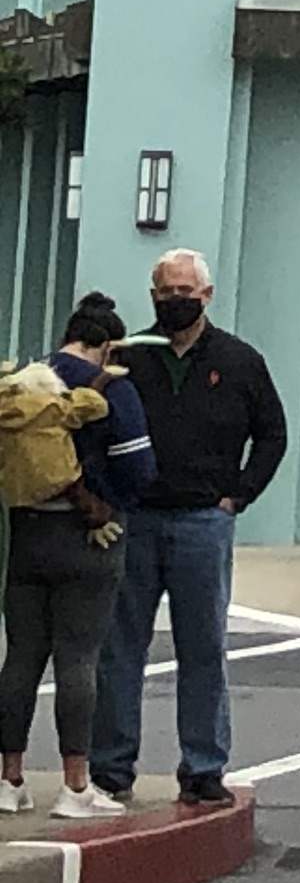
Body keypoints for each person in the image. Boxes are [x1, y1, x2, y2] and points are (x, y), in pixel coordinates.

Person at [95, 248, 285, 809]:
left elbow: (272, 435)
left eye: (186, 292)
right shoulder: (129, 359)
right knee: (119, 648)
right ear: (152, 296)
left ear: (207, 295)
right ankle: (110, 769)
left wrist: (240, 495)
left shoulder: (240, 360)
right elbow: (95, 428)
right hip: (137, 519)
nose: (175, 301)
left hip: (204, 522)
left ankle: (203, 767)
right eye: (165, 292)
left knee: (202, 647)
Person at [3, 293, 154, 822]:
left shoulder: (21, 384)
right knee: (78, 659)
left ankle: (9, 779)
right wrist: (113, 503)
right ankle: (75, 787)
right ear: (105, 345)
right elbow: (139, 470)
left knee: (20, 658)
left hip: (25, 534)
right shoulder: (111, 388)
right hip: (87, 537)